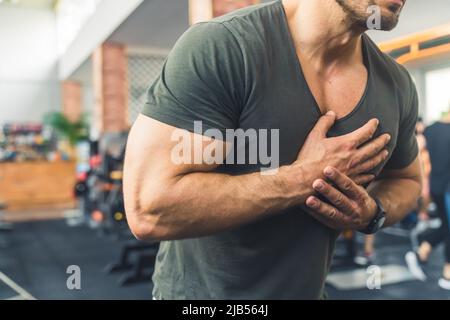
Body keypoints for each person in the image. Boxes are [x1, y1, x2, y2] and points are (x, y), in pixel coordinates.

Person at [124, 0, 422, 299]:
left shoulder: (395, 84)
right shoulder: (226, 46)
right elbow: (150, 209)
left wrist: (371, 213)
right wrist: (302, 178)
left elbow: (407, 180)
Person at [406, 108, 450, 290]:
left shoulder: (430, 130)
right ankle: (447, 274)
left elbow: (421, 159)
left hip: (437, 189)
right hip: (446, 189)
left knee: (447, 226)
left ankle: (422, 251)